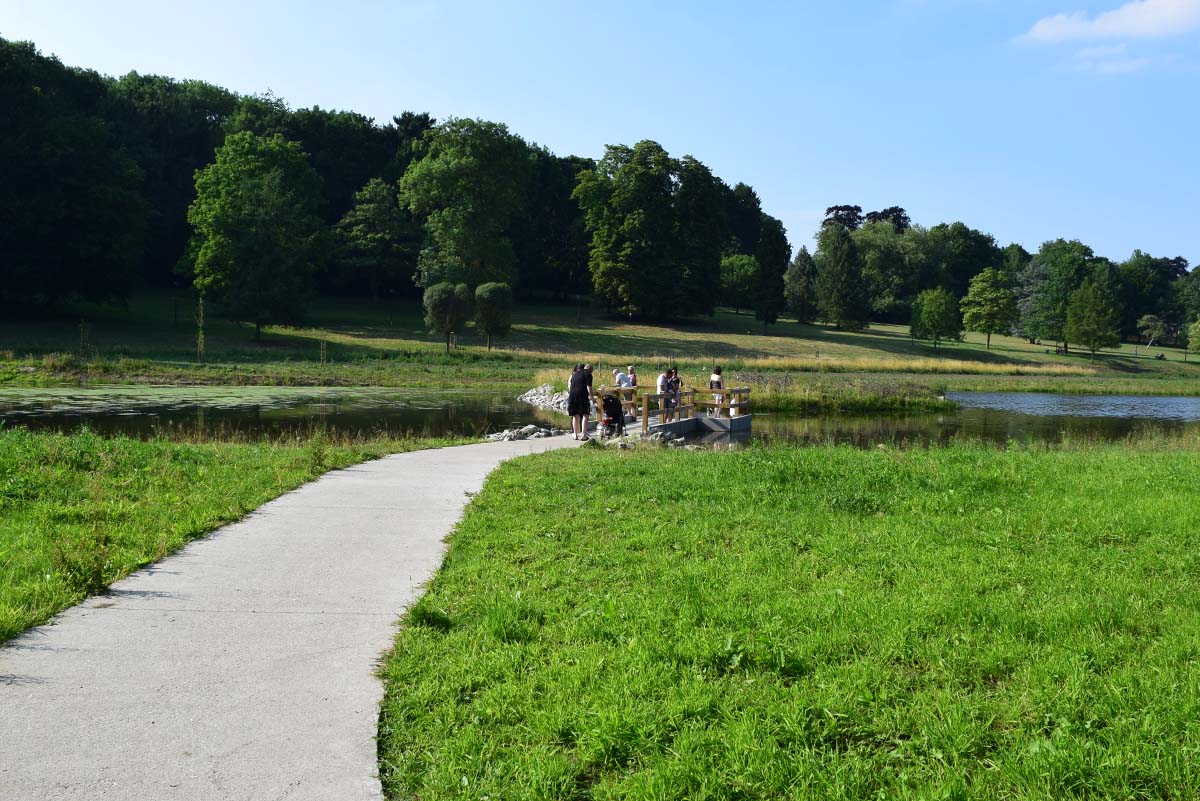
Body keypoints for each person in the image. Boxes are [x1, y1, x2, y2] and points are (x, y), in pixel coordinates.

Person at [567, 363, 591, 440]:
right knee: (585, 415)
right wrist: (592, 397)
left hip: (572, 396)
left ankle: (575, 434)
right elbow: (589, 387)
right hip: (582, 396)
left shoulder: (573, 374)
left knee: (575, 416)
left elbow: (570, 385)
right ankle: (583, 435)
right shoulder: (587, 374)